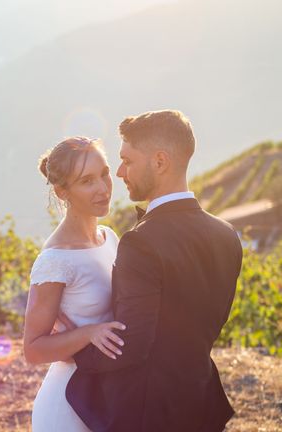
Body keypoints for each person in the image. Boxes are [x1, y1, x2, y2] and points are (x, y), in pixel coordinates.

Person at [63, 110, 243, 431]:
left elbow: (129, 345)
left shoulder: (140, 242)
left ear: (159, 162)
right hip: (200, 401)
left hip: (148, 413)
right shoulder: (226, 234)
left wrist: (73, 350)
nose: (119, 172)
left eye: (127, 161)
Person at [23, 136, 127, 432]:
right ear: (62, 191)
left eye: (104, 173)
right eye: (87, 181)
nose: (103, 188)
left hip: (107, 396)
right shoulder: (55, 260)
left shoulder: (109, 237)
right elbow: (33, 349)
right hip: (68, 406)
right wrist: (89, 333)